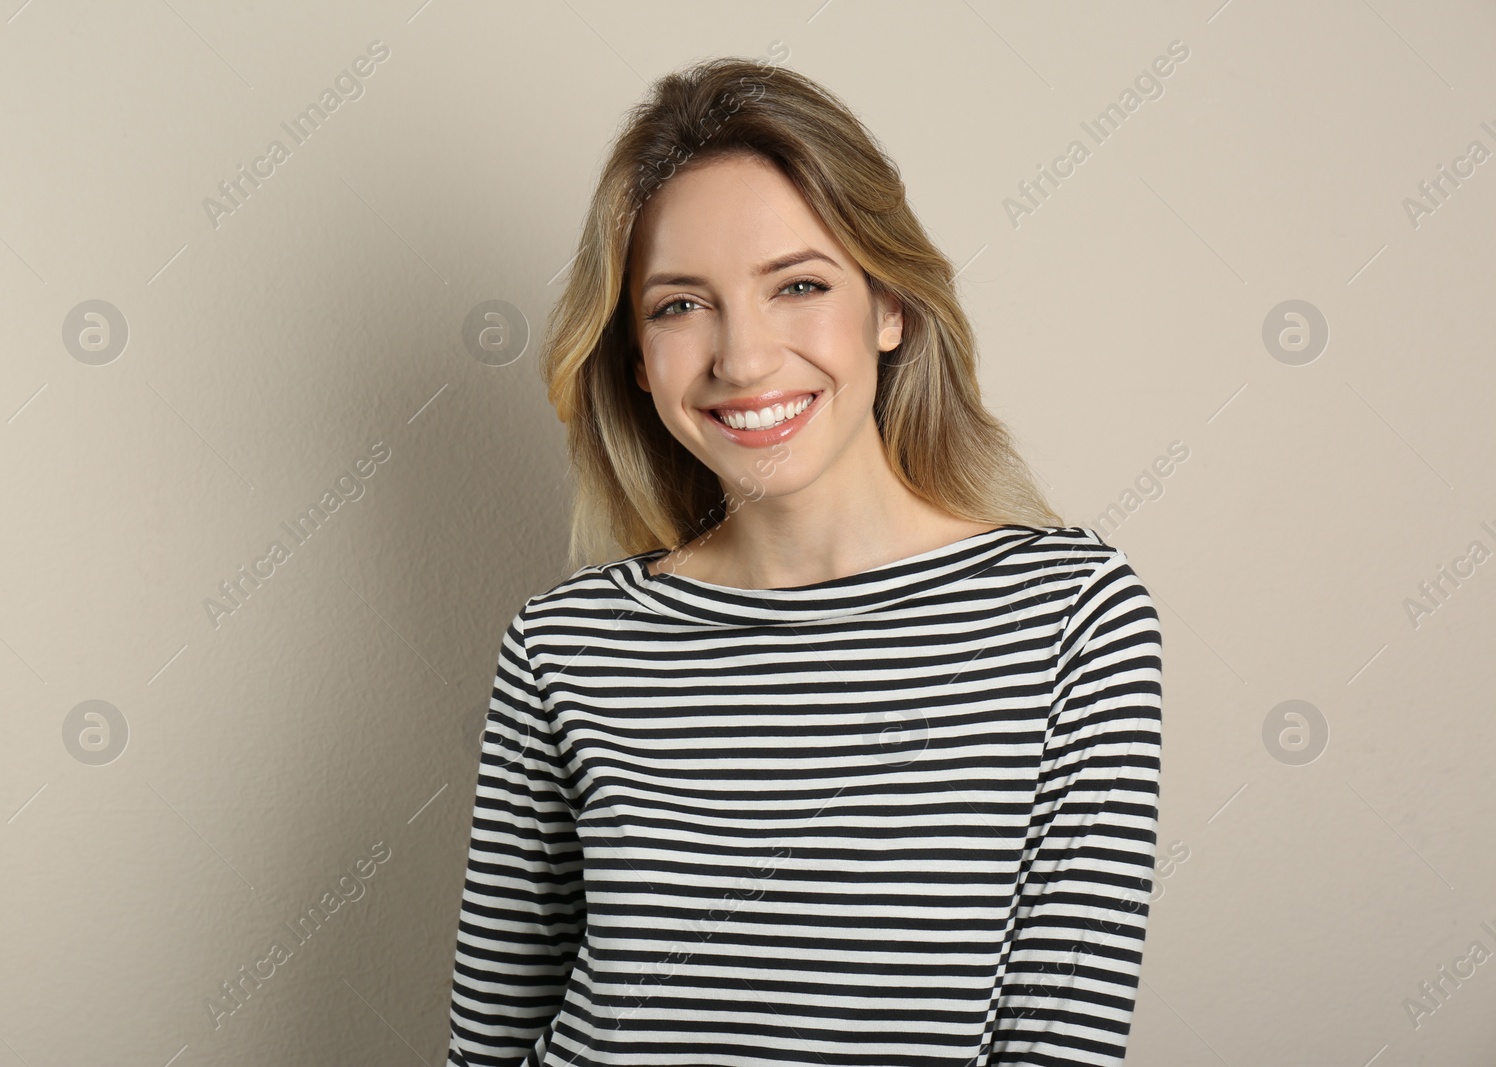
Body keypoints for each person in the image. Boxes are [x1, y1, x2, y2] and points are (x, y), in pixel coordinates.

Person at [445, 54, 1162, 1067]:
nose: (741, 358)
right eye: (679, 305)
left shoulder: (1071, 617)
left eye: (797, 284)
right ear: (638, 363)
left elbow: (1058, 1043)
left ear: (889, 305)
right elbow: (487, 1040)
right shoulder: (564, 645)